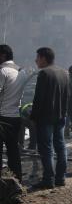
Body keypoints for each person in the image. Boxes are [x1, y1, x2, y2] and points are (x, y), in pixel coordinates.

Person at [30, 47, 69, 189]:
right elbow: (66, 97)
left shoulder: (44, 74)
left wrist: (33, 117)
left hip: (45, 118)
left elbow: (38, 99)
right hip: (60, 116)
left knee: (46, 148)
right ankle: (61, 178)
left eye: (37, 57)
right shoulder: (64, 73)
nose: (36, 60)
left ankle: (48, 179)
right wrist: (64, 113)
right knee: (60, 146)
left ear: (44, 58)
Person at [0, 45, 34, 182]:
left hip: (2, 117)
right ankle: (17, 181)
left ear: (2, 55)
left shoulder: (2, 71)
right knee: (13, 151)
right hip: (15, 117)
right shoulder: (21, 71)